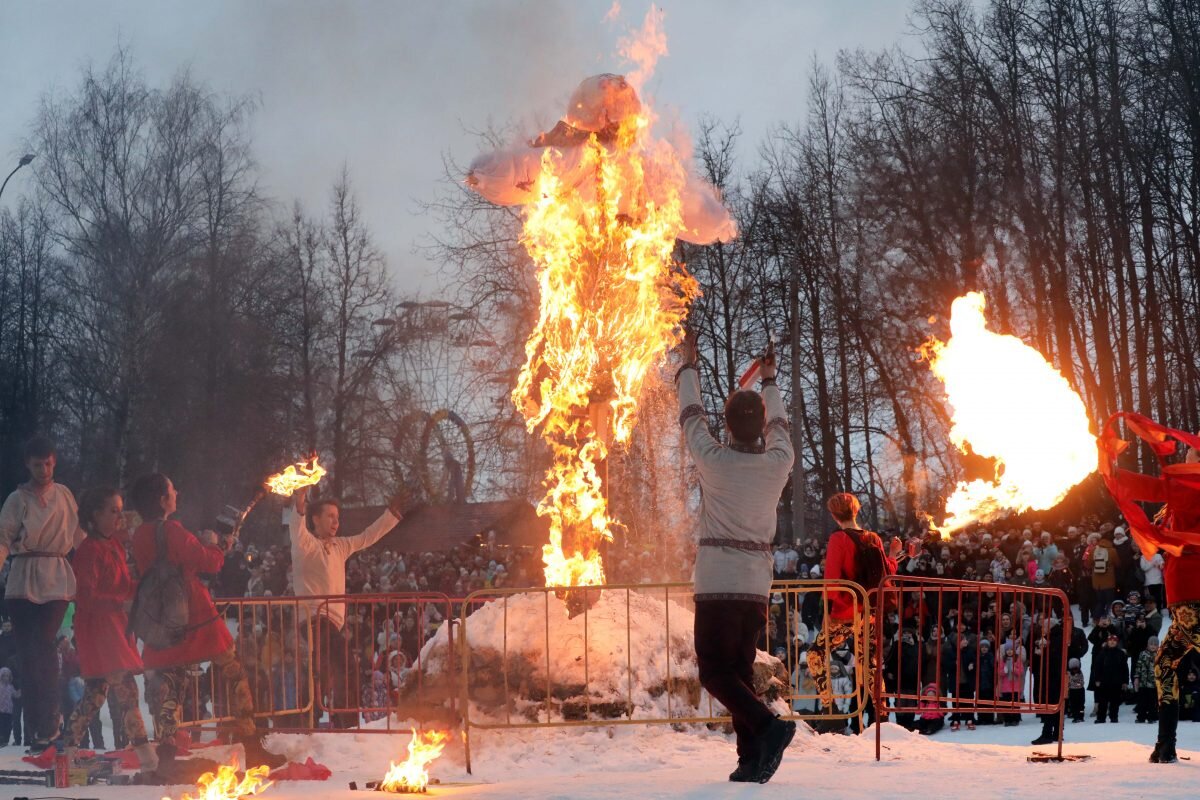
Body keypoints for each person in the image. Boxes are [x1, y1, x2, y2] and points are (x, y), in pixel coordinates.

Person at [675, 331, 795, 784]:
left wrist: (689, 367)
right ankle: (751, 759)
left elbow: (690, 416)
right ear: (759, 427)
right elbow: (780, 427)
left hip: (717, 583)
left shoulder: (715, 461)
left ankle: (767, 728)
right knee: (740, 670)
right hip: (755, 586)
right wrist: (770, 380)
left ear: (729, 428)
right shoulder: (778, 463)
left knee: (713, 671)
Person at [128, 473, 287, 778]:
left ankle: (167, 754)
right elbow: (208, 562)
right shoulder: (172, 529)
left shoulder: (140, 534)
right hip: (194, 614)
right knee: (235, 672)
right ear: (163, 500)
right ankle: (250, 743)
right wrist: (218, 547)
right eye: (173, 490)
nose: (177, 492)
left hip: (161, 620)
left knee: (168, 687)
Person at [287, 486, 406, 728]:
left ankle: (302, 722)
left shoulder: (340, 546)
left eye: (337, 517)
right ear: (315, 519)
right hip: (314, 619)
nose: (335, 521)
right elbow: (296, 525)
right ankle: (347, 724)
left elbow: (367, 536)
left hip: (332, 623)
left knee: (319, 673)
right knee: (346, 666)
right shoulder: (305, 544)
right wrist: (300, 500)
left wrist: (391, 515)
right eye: (330, 516)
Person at [61, 488, 157, 771]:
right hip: (99, 629)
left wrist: (143, 589)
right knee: (125, 689)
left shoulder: (113, 545)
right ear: (96, 515)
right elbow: (86, 596)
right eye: (113, 511)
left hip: (113, 625)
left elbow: (124, 585)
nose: (119, 517)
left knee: (95, 694)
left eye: (119, 510)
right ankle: (147, 758)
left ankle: (66, 751)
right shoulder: (89, 551)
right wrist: (121, 603)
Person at [0, 437, 85, 753]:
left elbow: (79, 537)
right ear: (28, 464)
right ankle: (39, 727)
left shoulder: (64, 495)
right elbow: (4, 538)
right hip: (22, 578)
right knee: (27, 653)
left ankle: (51, 720)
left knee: (44, 646)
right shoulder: (16, 499)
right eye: (38, 464)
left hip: (56, 578)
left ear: (54, 463)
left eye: (48, 463)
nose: (44, 469)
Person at [807, 493, 902, 727]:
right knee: (870, 664)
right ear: (856, 511)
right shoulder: (873, 538)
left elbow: (831, 578)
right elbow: (885, 571)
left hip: (845, 612)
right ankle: (882, 716)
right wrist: (893, 554)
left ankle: (831, 711)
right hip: (868, 612)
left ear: (833, 515)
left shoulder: (838, 539)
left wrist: (829, 613)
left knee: (815, 654)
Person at [1092, 631, 1129, 723]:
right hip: (1104, 681)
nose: (1112, 642)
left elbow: (1125, 668)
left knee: (1115, 701)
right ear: (1107, 642)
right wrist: (1097, 679)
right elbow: (1097, 667)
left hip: (1117, 681)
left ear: (1117, 642)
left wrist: (1125, 681)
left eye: (1114, 640)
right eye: (1110, 640)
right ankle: (1101, 718)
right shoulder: (1102, 653)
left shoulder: (1121, 653)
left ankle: (1114, 717)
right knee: (1102, 701)